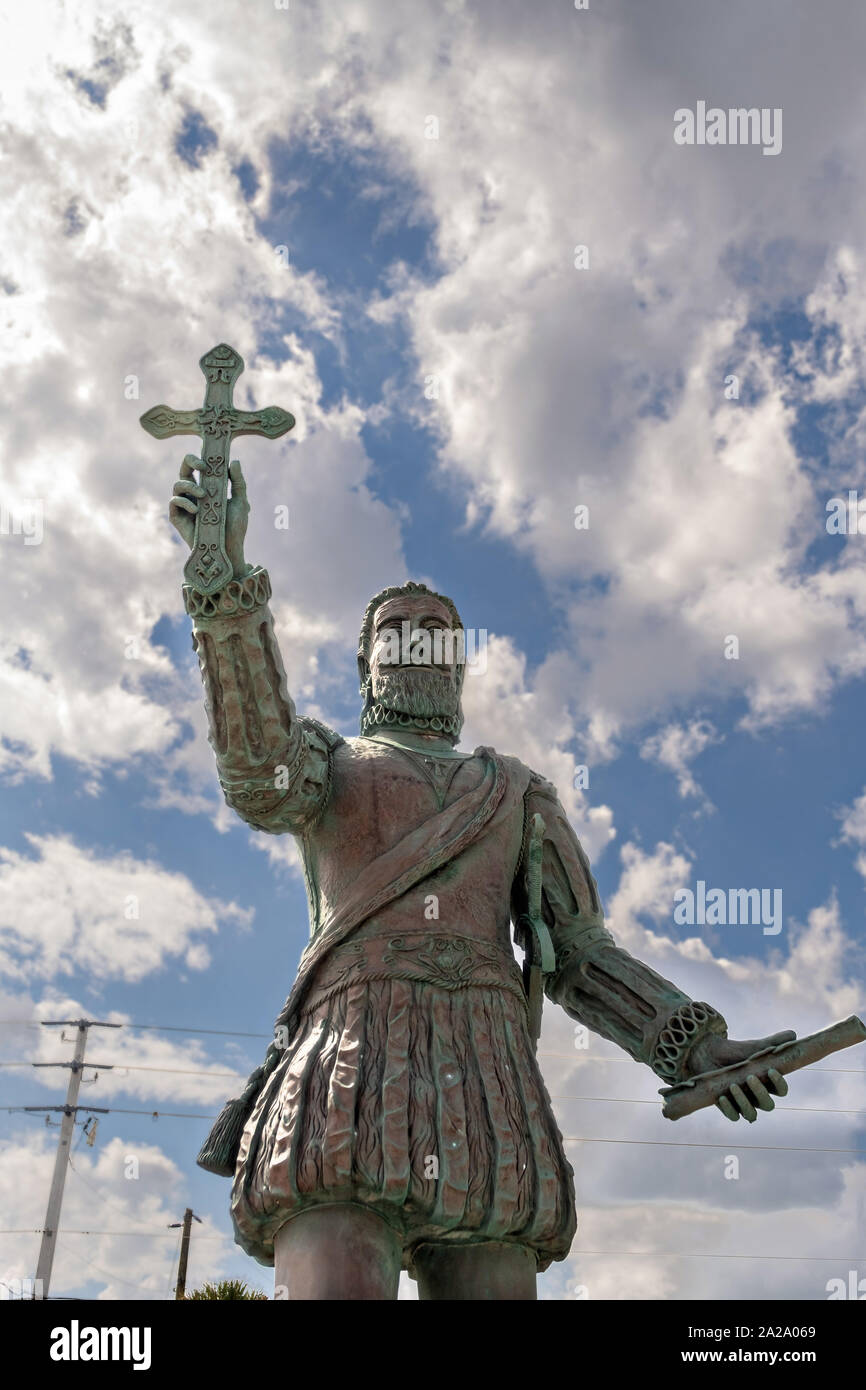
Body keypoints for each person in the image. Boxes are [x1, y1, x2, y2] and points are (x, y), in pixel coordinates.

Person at [170, 456, 793, 1300]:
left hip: (486, 1089)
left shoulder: (515, 791)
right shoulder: (329, 766)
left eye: (435, 630)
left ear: (458, 662)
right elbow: (255, 769)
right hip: (349, 1072)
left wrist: (689, 1043)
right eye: (398, 630)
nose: (417, 640)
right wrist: (225, 584)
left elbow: (578, 954)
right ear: (368, 665)